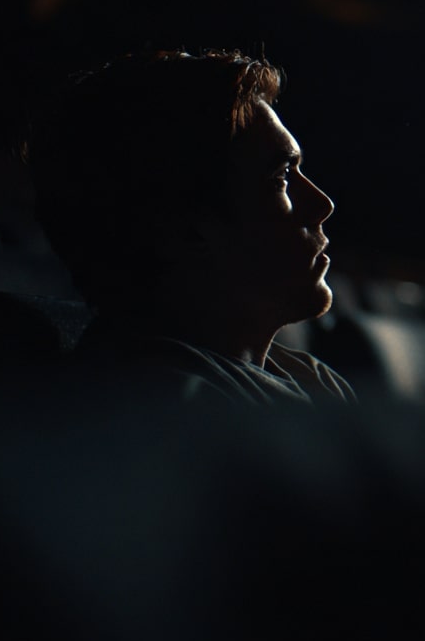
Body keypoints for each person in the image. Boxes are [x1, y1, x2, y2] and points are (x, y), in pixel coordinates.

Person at [26, 48, 354, 405]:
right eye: (281, 178)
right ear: (184, 225)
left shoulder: (313, 378)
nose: (323, 206)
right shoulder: (164, 402)